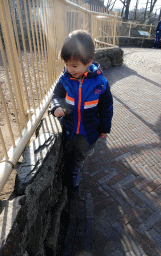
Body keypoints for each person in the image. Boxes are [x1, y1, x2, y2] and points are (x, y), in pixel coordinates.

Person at [50, 30, 113, 188]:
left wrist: (105, 126)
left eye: (74, 65)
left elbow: (106, 107)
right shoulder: (65, 79)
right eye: (66, 64)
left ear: (89, 61)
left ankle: (75, 171)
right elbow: (56, 96)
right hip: (69, 126)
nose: (69, 69)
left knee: (81, 155)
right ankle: (69, 168)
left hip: (89, 130)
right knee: (68, 151)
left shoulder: (101, 83)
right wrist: (57, 106)